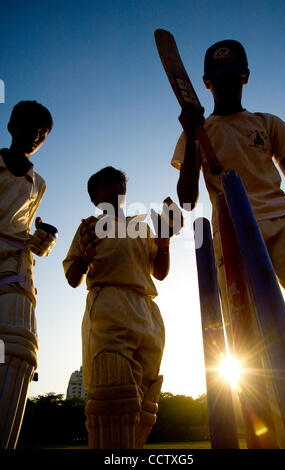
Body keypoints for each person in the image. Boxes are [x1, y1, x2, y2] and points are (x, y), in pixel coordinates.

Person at [171, 39, 285, 313]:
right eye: (219, 80)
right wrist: (194, 138)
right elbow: (187, 200)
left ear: (245, 77)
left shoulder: (267, 123)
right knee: (247, 328)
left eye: (232, 78)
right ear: (207, 83)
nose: (226, 86)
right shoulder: (196, 133)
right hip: (231, 229)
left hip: (284, 220)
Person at [62, 166, 182, 449]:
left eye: (120, 182)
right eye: (108, 183)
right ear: (95, 197)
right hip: (109, 306)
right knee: (113, 399)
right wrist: (85, 257)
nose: (117, 187)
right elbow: (71, 278)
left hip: (147, 311)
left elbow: (160, 273)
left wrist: (164, 239)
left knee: (144, 404)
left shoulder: (142, 227)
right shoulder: (88, 227)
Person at [0, 100, 57, 448]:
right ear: (12, 125)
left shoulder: (39, 184)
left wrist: (42, 241)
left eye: (44, 133)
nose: (37, 136)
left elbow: (25, 236)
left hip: (17, 273)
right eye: (32, 126)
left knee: (17, 354)